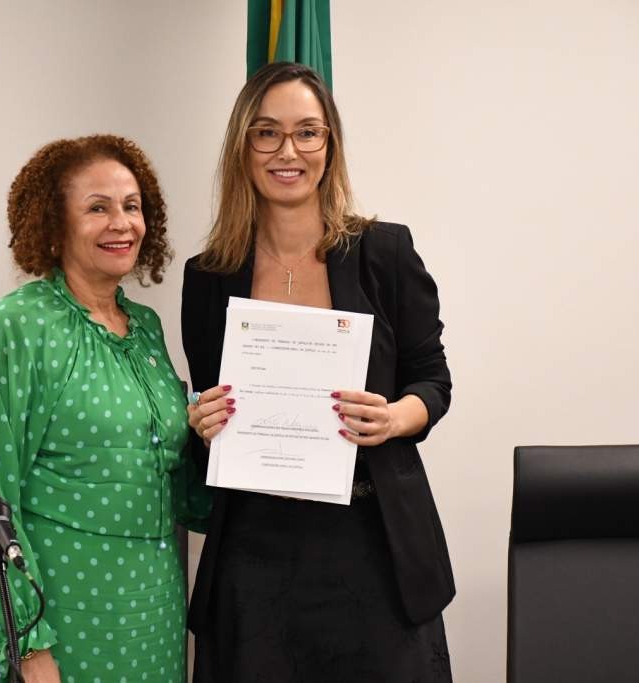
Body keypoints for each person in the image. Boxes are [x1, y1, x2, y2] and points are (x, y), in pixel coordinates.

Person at [182, 62, 455, 682]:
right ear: (242, 147)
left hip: (375, 548)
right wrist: (201, 419)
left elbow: (433, 382)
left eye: (308, 132)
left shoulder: (385, 251)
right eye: (267, 133)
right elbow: (208, 400)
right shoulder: (207, 275)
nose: (289, 151)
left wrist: (392, 418)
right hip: (254, 557)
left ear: (329, 146)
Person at [0, 134, 208, 683]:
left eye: (132, 206)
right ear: (55, 224)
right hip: (60, 626)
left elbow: (172, 483)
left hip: (151, 623)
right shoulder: (18, 327)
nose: (123, 223)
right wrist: (29, 644)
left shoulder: (147, 330)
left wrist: (211, 435)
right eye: (98, 208)